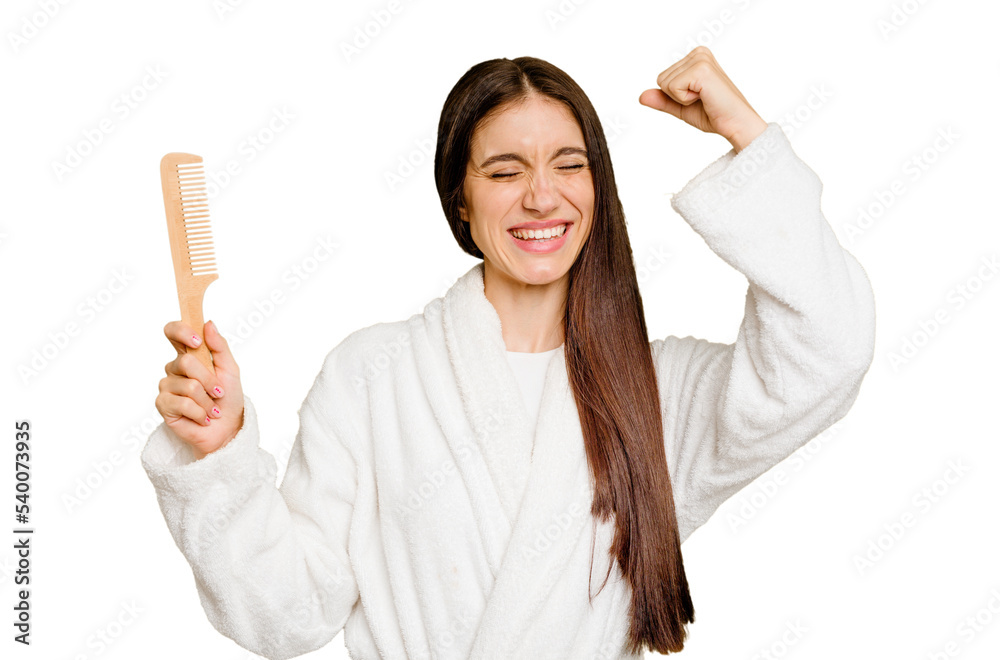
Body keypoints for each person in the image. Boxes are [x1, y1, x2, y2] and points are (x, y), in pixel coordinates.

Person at [143, 47, 875, 660]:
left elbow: (827, 351)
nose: (541, 196)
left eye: (569, 165)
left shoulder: (658, 393)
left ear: (598, 185)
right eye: (503, 171)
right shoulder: (373, 376)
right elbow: (286, 613)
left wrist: (746, 135)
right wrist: (220, 457)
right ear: (459, 198)